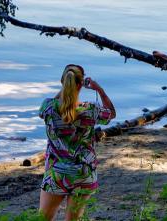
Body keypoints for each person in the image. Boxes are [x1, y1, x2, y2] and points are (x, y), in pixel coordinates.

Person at [38, 64, 116, 220]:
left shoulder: (48, 106)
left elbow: (49, 109)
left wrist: (65, 90)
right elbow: (112, 114)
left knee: (42, 219)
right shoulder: (91, 109)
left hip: (56, 174)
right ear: (81, 85)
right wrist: (99, 90)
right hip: (84, 175)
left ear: (62, 82)